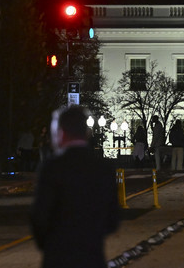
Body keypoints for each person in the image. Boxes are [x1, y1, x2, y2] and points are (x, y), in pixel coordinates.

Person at [30, 105, 120, 268]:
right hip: (92, 256)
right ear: (87, 132)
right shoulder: (104, 168)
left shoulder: (52, 167)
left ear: (61, 133)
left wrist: (50, 244)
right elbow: (112, 219)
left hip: (58, 256)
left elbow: (40, 216)